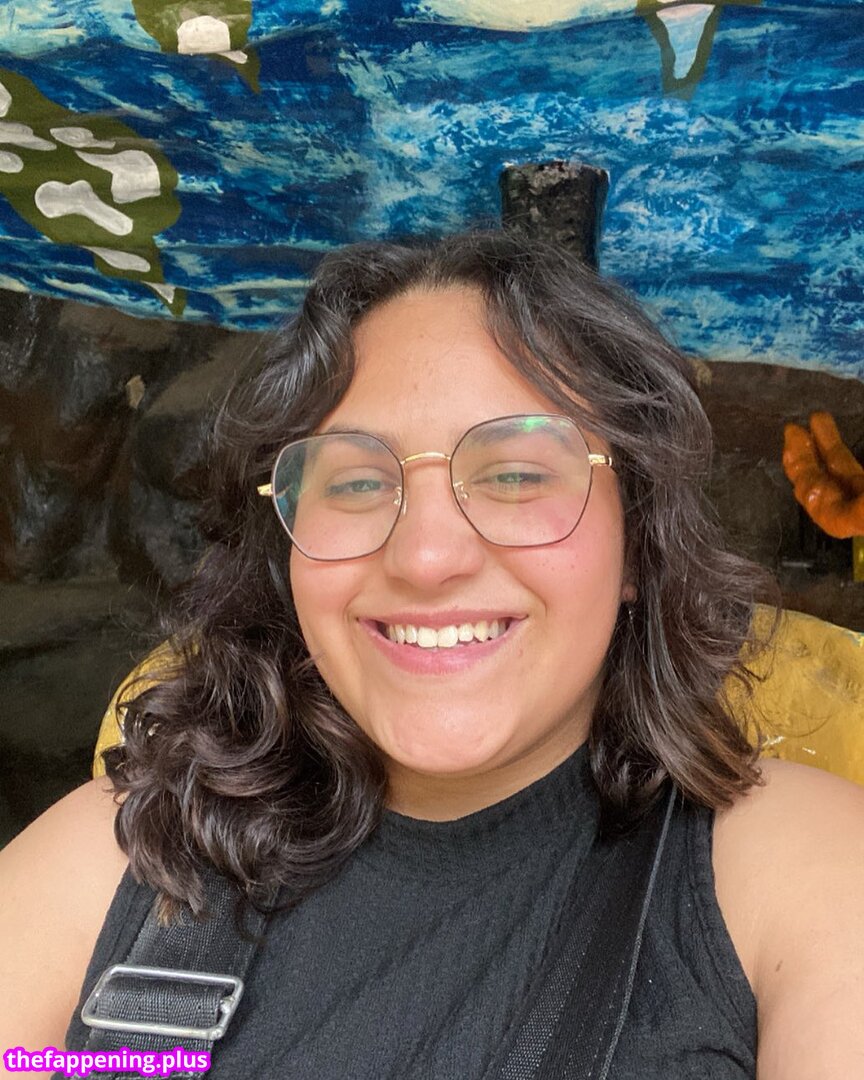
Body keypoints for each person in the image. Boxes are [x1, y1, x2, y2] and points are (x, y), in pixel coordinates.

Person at [1, 231, 863, 1079]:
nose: (424, 557)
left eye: (516, 474)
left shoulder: (795, 871)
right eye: (356, 482)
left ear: (638, 540)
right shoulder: (110, 865)